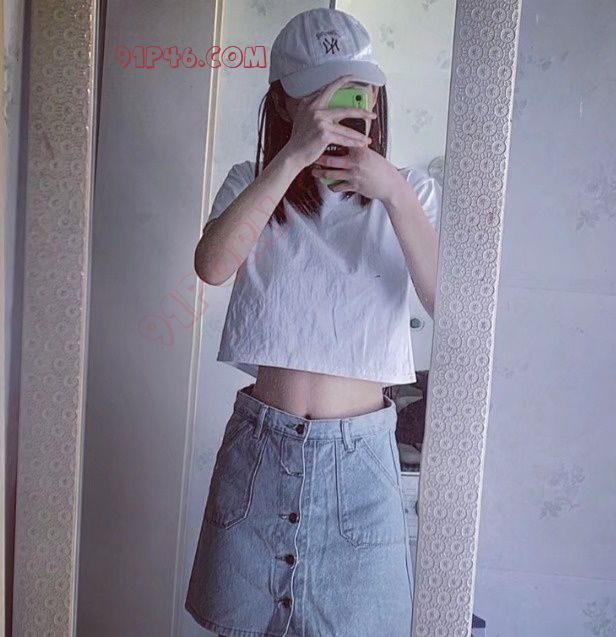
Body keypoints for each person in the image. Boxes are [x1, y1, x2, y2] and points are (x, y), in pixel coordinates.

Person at [185, 8, 441, 637]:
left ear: (375, 98)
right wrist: (291, 158)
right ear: (284, 103)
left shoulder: (412, 192)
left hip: (359, 464)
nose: (340, 109)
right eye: (318, 93)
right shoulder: (253, 183)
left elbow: (451, 305)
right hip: (259, 451)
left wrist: (394, 192)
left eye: (354, 90)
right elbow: (213, 266)